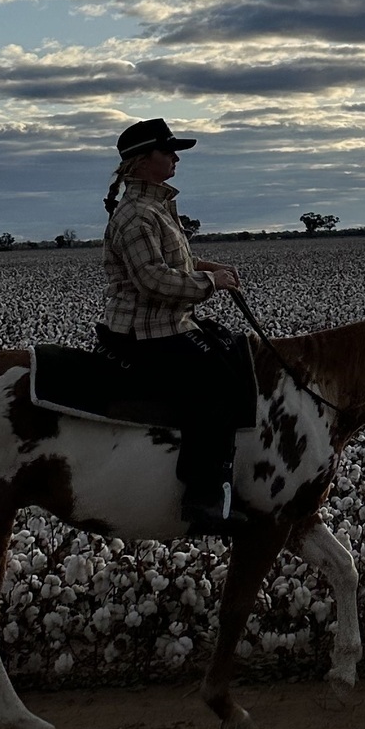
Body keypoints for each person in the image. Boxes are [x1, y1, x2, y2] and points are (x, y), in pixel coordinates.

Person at [99, 117, 247, 533]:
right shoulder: (135, 216)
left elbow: (169, 262)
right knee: (216, 384)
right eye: (168, 151)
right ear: (143, 161)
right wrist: (210, 283)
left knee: (234, 356)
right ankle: (202, 497)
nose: (176, 158)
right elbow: (154, 280)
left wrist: (206, 265)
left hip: (165, 324)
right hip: (146, 332)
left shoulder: (152, 209)